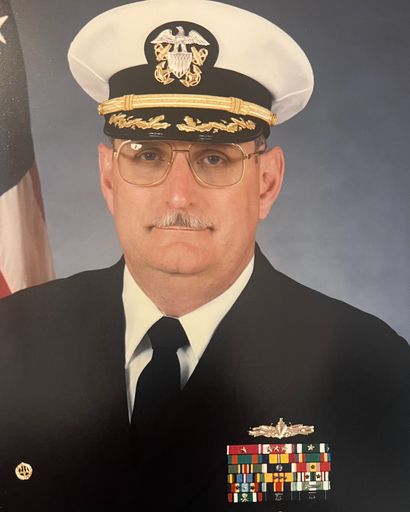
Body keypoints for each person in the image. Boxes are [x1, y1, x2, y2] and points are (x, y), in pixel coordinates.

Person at [0, 1, 408, 511]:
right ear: (108, 177)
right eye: (148, 155)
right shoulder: (11, 343)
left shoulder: (369, 371)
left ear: (266, 182)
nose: (178, 195)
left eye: (214, 158)